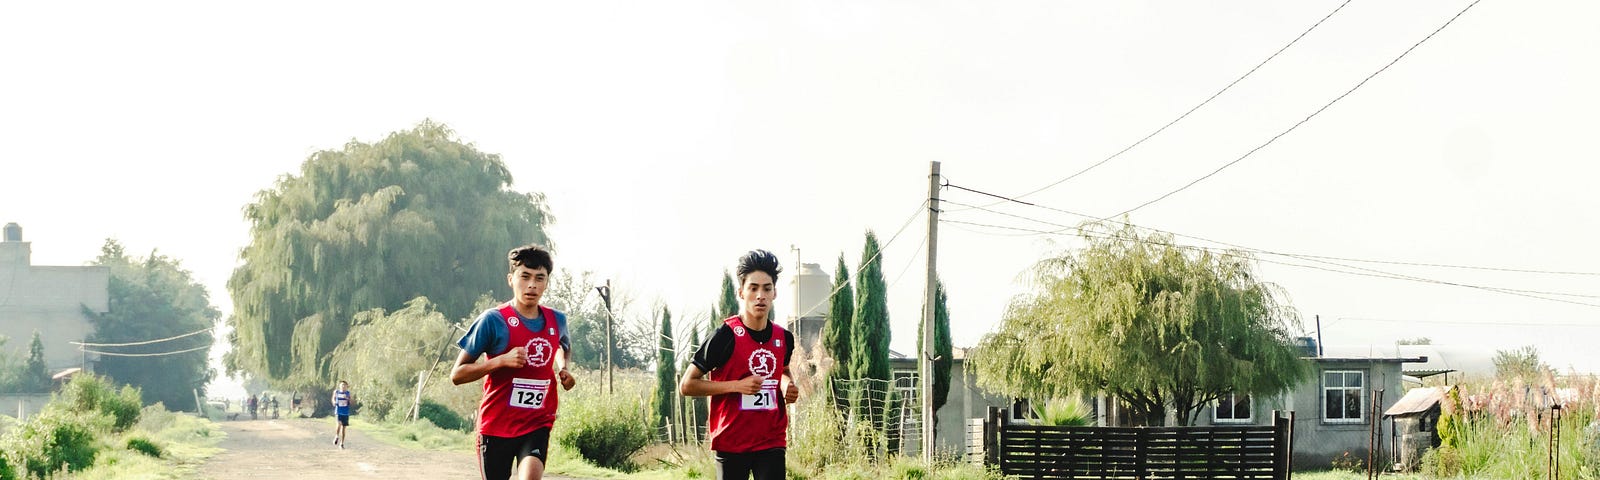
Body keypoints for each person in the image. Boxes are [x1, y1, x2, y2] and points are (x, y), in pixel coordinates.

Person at [451, 244, 576, 480]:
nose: (532, 285)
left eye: (540, 278)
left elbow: (563, 345)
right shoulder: (492, 320)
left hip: (537, 422)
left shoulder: (557, 320)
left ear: (547, 282)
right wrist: (499, 362)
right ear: (511, 279)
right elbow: (457, 374)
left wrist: (564, 368)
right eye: (525, 277)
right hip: (496, 425)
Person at [679, 249, 800, 480]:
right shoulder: (724, 336)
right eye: (753, 288)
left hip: (771, 439)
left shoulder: (784, 337)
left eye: (767, 288)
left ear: (775, 293)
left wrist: (786, 386)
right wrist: (736, 386)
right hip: (732, 441)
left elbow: (782, 371)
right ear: (741, 293)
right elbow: (687, 385)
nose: (760, 295)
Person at [332, 380, 354, 449]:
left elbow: (351, 402)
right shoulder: (336, 392)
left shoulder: (348, 393)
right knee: (339, 424)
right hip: (338, 411)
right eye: (342, 385)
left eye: (345, 385)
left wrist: (347, 398)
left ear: (347, 387)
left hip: (346, 413)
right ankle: (336, 436)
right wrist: (334, 402)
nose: (343, 386)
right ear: (340, 386)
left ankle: (341, 443)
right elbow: (333, 399)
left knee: (344, 428)